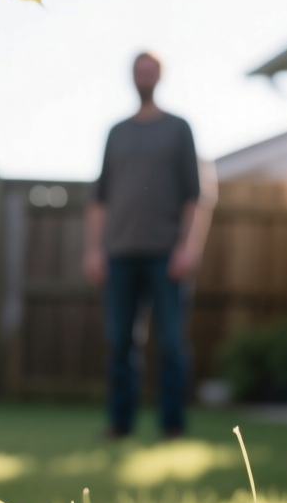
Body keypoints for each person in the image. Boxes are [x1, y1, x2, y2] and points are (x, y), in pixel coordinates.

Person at [83, 52, 204, 440]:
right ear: (131, 77)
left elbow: (195, 196)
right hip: (119, 255)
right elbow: (99, 199)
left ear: (160, 76)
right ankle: (120, 424)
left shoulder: (178, 128)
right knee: (119, 344)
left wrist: (187, 247)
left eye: (150, 71)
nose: (144, 76)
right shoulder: (116, 132)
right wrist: (94, 249)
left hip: (166, 255)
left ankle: (173, 426)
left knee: (171, 344)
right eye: (138, 71)